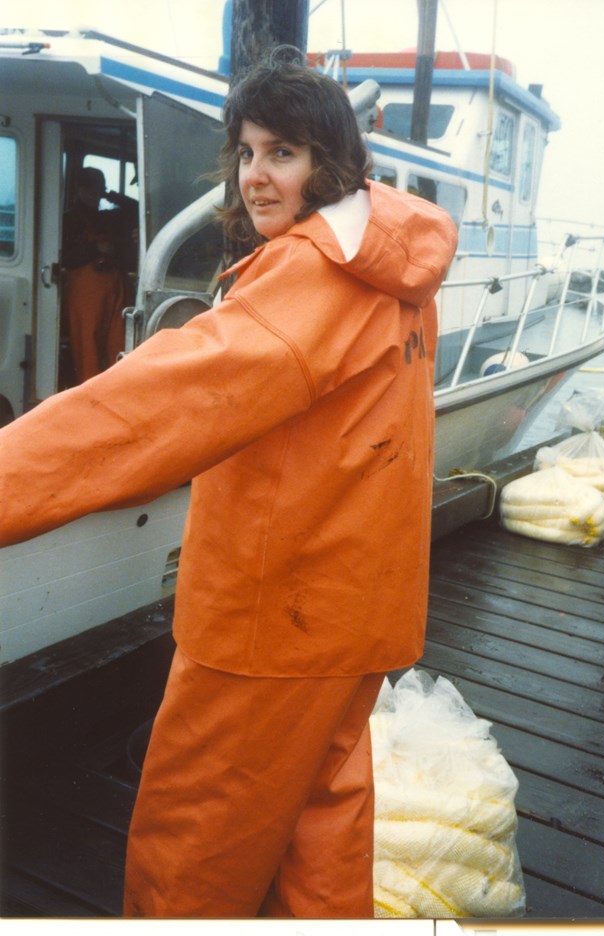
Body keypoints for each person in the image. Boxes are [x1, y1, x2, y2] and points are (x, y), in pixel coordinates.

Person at [0, 49, 457, 918]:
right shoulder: (396, 258)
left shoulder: (312, 277)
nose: (255, 175)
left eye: (281, 152)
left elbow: (146, 412)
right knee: (322, 832)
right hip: (359, 614)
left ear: (333, 163)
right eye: (245, 152)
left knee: (193, 847)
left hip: (271, 626)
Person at [62, 166, 138, 383]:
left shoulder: (108, 217)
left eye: (99, 189)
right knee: (87, 349)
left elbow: (136, 208)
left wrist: (109, 194)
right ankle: (89, 396)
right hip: (86, 294)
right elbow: (65, 257)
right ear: (78, 188)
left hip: (114, 290)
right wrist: (97, 249)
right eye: (91, 189)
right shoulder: (69, 219)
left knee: (118, 345)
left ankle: (115, 389)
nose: (96, 194)